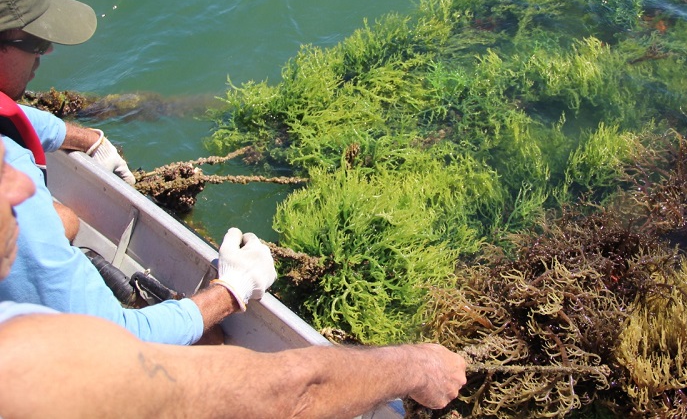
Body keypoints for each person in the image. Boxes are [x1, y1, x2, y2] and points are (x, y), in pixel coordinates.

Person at [0, 139, 466, 418]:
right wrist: (417, 366)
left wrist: (88, 137)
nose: (22, 186)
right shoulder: (21, 362)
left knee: (61, 221)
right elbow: (289, 397)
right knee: (212, 342)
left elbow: (23, 124)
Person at [0, 0, 277, 345]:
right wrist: (231, 291)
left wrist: (87, 138)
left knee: (67, 221)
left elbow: (10, 113)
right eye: (34, 42)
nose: (48, 51)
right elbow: (119, 338)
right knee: (216, 350)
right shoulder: (10, 188)